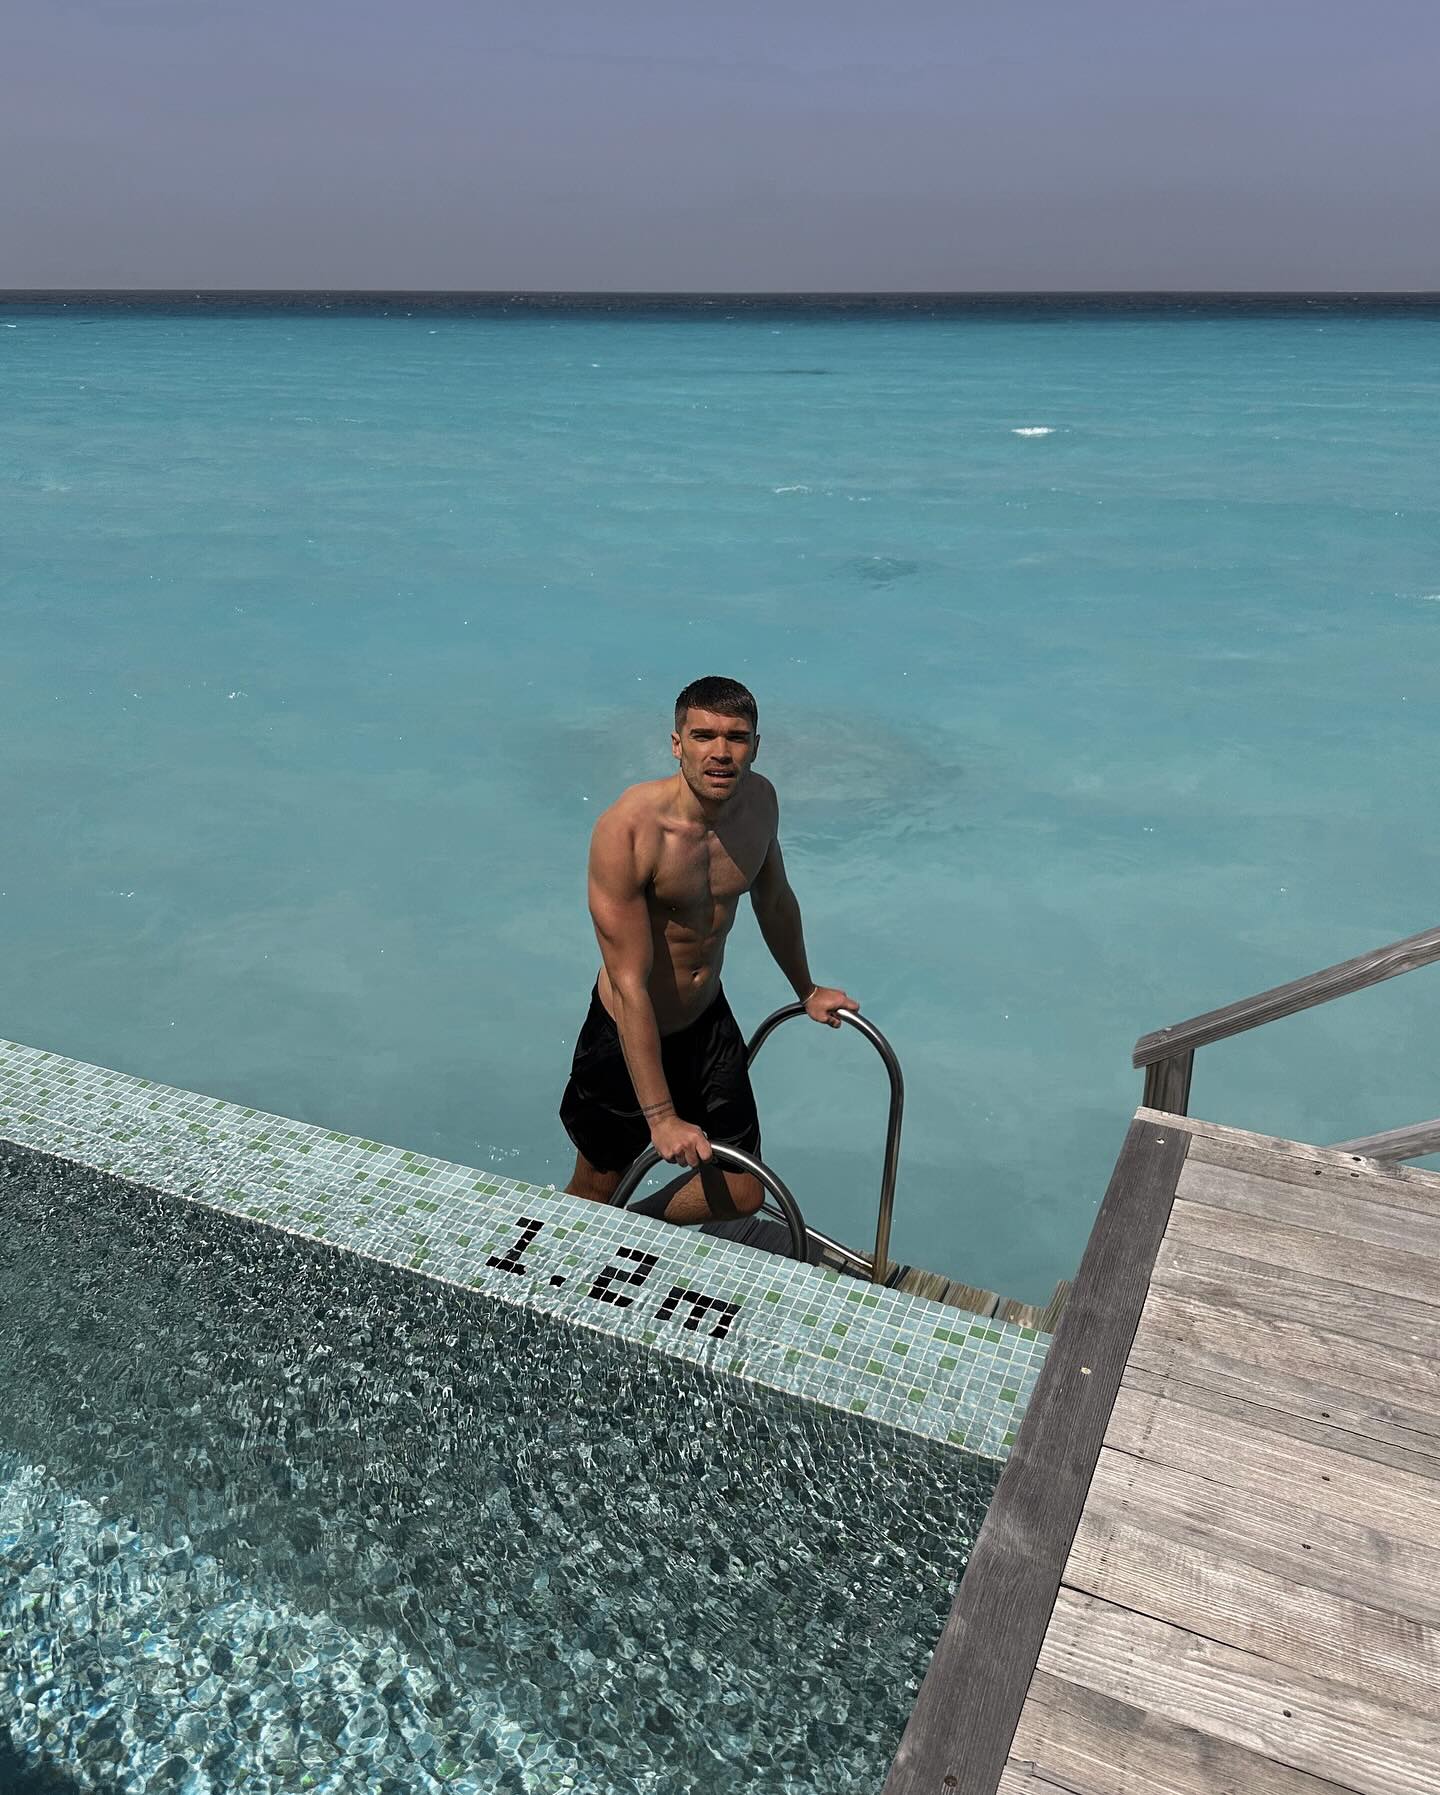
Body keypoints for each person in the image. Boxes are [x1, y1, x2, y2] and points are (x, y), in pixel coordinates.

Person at [559, 675, 858, 1223]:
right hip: (627, 1031)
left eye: (736, 737)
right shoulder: (629, 830)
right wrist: (661, 1116)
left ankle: (630, 1228)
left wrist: (807, 989)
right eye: (703, 736)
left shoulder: (761, 803)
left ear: (756, 746)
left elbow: (775, 900)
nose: (721, 752)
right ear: (677, 744)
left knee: (744, 1189)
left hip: (706, 1024)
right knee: (596, 1189)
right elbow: (628, 983)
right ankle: (577, 1241)